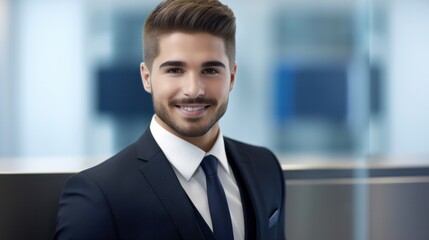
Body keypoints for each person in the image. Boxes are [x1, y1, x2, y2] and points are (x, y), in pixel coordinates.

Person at [54, 0, 285, 239]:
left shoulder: (265, 167)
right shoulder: (98, 194)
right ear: (147, 78)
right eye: (175, 70)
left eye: (210, 70)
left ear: (232, 77)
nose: (193, 90)